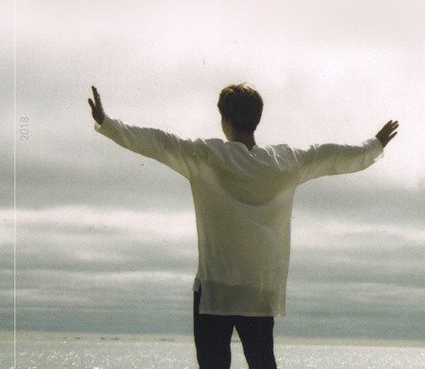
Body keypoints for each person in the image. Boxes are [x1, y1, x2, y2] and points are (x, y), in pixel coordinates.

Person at [88, 83, 398, 368]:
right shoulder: (284, 161)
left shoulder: (207, 156)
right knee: (262, 363)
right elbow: (330, 156)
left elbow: (160, 143)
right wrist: (373, 146)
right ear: (256, 119)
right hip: (259, 290)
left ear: (225, 120)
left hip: (216, 290)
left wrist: (108, 123)